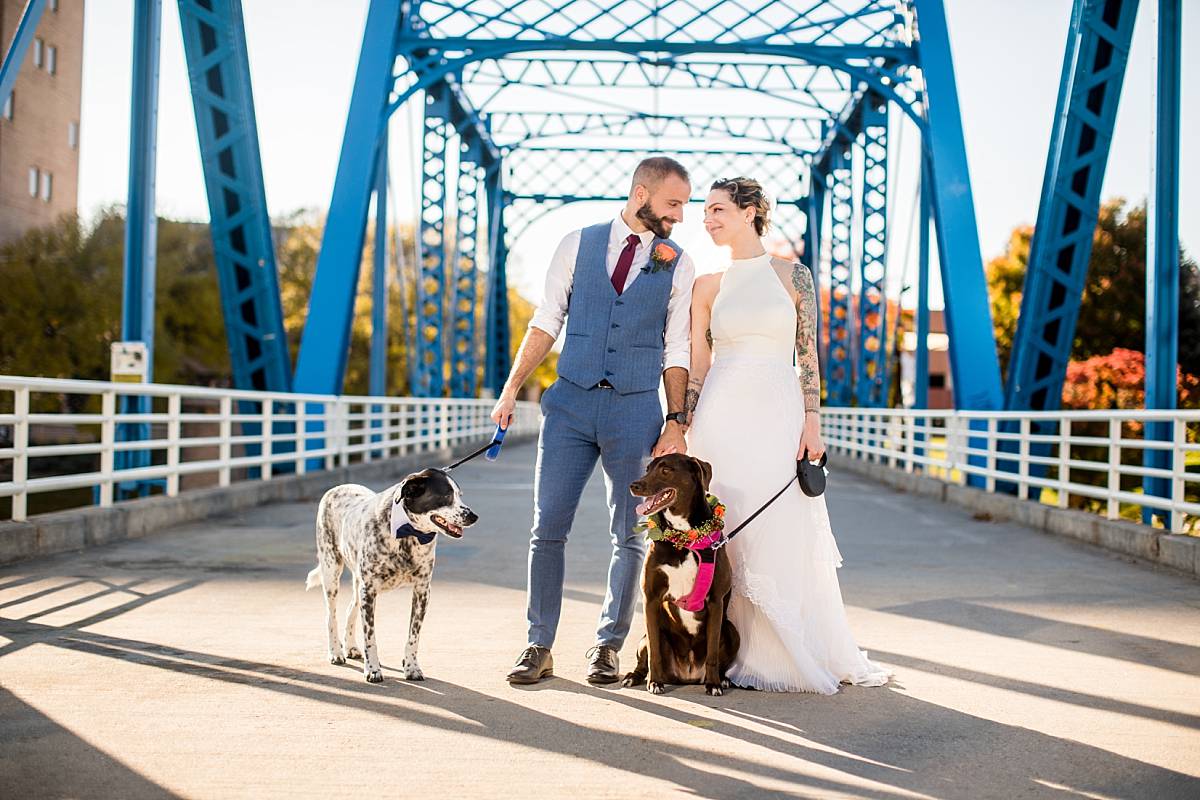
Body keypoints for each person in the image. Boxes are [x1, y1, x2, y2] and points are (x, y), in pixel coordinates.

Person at [491, 157, 696, 685]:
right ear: (640, 193)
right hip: (570, 406)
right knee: (547, 528)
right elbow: (546, 320)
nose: (678, 217)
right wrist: (511, 390)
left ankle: (608, 645)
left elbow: (676, 347)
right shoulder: (575, 244)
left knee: (629, 535)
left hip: (634, 410)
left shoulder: (679, 263)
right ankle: (538, 644)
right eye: (672, 204)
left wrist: (675, 420)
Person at [684, 176, 891, 693]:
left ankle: (777, 652)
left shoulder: (793, 276)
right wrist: (683, 424)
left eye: (718, 210)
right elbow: (699, 362)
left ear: (751, 211)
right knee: (725, 527)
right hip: (720, 415)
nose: (707, 220)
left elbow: (808, 355)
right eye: (705, 212)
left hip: (777, 412)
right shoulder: (706, 284)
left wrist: (811, 420)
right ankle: (721, 649)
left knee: (778, 525)